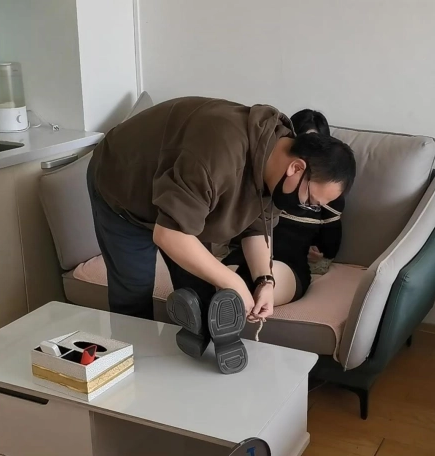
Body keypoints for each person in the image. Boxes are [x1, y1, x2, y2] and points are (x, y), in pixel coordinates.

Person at [87, 97, 356, 374]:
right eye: (310, 200)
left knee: (198, 289)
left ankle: (184, 367)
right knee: (134, 293)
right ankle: (133, 378)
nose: (307, 208)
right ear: (296, 168)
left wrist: (265, 281)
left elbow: (257, 228)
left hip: (184, 198)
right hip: (123, 183)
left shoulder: (276, 166)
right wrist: (234, 282)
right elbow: (169, 234)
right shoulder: (220, 153)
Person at [222, 109, 344, 306]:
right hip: (246, 254)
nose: (306, 158)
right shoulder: (264, 183)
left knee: (251, 288)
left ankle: (228, 305)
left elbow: (330, 246)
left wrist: (320, 254)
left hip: (289, 263)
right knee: (221, 280)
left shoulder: (326, 196)